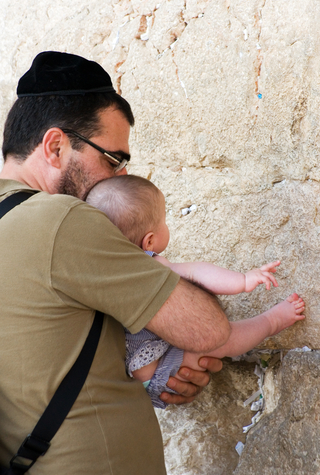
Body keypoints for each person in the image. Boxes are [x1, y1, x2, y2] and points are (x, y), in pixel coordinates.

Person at [0, 51, 231, 475]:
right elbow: (208, 329)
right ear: (55, 146)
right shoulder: (63, 220)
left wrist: (157, 367)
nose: (120, 178)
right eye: (113, 159)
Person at [86, 175, 306, 408]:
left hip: (137, 379)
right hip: (162, 373)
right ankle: (271, 322)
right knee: (220, 341)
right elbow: (196, 273)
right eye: (164, 221)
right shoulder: (148, 265)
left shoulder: (100, 270)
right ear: (148, 242)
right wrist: (243, 280)